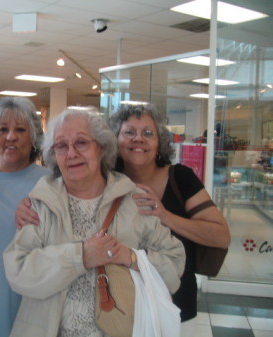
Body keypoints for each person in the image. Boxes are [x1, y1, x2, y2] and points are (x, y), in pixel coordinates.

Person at [4, 108, 185, 337]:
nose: (71, 153)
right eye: (61, 146)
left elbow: (174, 261)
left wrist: (131, 258)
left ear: (101, 148)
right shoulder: (41, 204)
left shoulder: (133, 200)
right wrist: (80, 256)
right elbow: (18, 271)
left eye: (81, 143)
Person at [107, 104, 230, 336]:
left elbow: (221, 235)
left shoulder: (180, 178)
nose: (138, 139)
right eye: (129, 132)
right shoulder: (104, 182)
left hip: (178, 304)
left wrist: (165, 216)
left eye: (148, 133)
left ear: (159, 143)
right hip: (119, 305)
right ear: (115, 140)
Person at [0, 97, 50, 337]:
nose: (11, 137)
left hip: (33, 296)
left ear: (33, 136)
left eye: (20, 129)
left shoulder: (50, 182)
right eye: (3, 129)